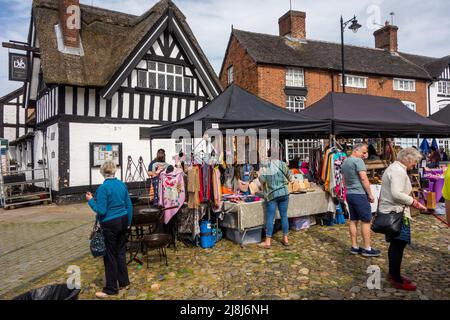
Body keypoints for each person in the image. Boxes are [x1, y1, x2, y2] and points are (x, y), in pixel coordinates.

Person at [378, 148, 427, 291]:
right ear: (408, 158)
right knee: (398, 244)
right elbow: (396, 193)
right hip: (396, 213)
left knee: (396, 244)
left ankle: (394, 274)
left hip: (394, 211)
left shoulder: (394, 168)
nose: (414, 165)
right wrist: (414, 202)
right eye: (414, 162)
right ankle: (396, 278)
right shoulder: (398, 171)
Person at [86, 160, 133, 299]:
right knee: (120, 252)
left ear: (102, 172)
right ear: (114, 171)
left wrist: (90, 200)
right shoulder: (121, 185)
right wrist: (129, 223)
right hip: (123, 220)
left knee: (110, 256)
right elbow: (129, 206)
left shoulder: (103, 189)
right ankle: (124, 281)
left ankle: (111, 288)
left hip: (110, 223)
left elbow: (101, 210)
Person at [341, 143, 380, 257]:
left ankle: (354, 246)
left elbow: (343, 179)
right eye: (363, 152)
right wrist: (370, 194)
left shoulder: (345, 161)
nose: (365, 155)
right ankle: (367, 248)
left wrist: (347, 190)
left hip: (350, 193)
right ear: (356, 151)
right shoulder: (358, 161)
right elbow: (364, 178)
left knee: (353, 220)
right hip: (359, 194)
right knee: (366, 220)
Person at [258, 151, 291, 248]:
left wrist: (259, 174)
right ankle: (285, 239)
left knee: (270, 217)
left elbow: (262, 180)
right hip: (284, 193)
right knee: (284, 216)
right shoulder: (283, 164)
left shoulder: (266, 167)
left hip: (272, 195)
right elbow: (290, 177)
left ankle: (268, 242)